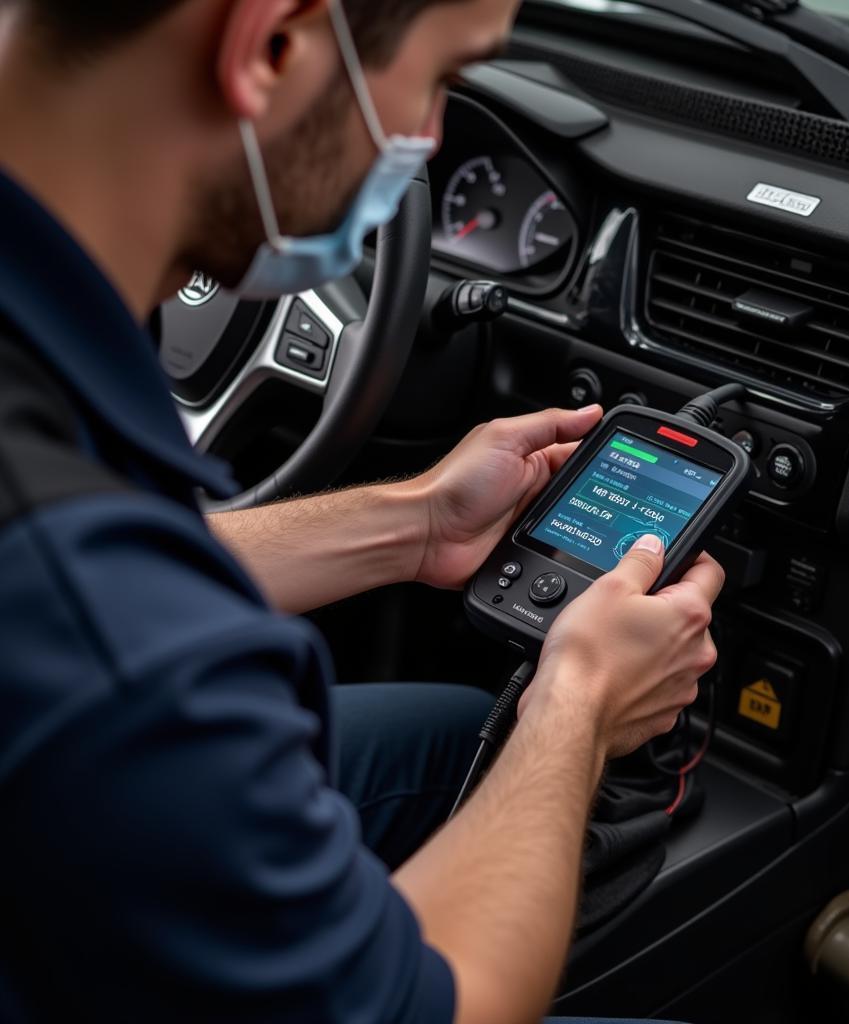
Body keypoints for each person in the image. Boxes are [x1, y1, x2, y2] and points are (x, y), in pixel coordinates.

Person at [0, 0, 724, 1020]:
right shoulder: (93, 608)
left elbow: (109, 585)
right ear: (274, 45)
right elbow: (434, 1005)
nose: (427, 139)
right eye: (437, 83)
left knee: (454, 736)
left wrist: (415, 521)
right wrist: (579, 703)